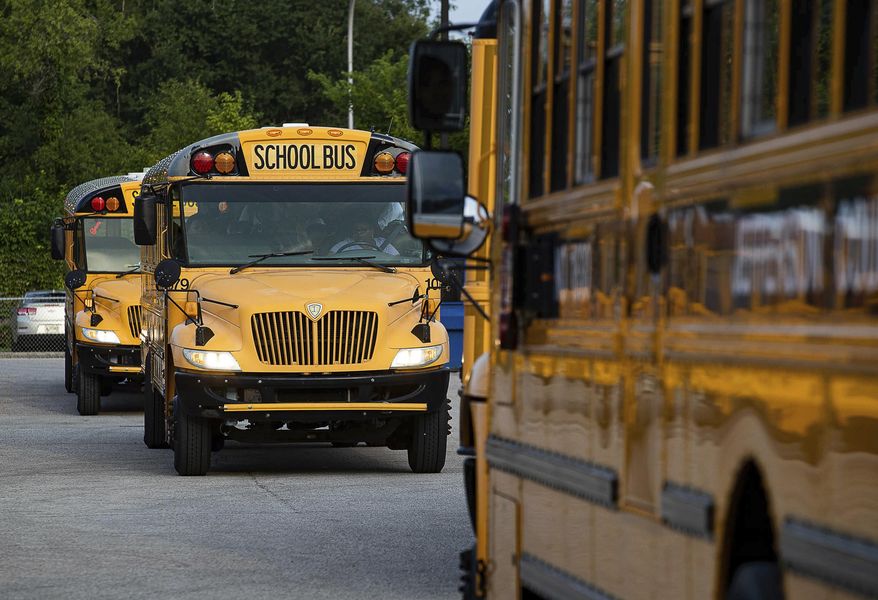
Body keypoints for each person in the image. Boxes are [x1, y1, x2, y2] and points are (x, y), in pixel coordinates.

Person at [329, 219, 399, 255]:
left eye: (363, 230)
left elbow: (397, 258)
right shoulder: (346, 244)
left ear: (372, 230)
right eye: (357, 230)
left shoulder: (382, 242)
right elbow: (330, 256)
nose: (359, 232)